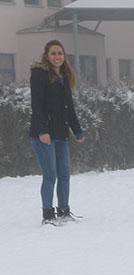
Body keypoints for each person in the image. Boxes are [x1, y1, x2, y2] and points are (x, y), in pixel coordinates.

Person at [29, 39, 85, 225]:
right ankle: (48, 214)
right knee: (50, 175)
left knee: (64, 175)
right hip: (43, 135)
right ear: (47, 55)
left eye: (60, 53)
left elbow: (69, 108)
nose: (57, 57)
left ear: (64, 57)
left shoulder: (63, 76)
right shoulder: (39, 75)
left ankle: (64, 210)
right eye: (53, 53)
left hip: (61, 134)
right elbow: (37, 105)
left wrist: (77, 130)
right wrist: (43, 131)